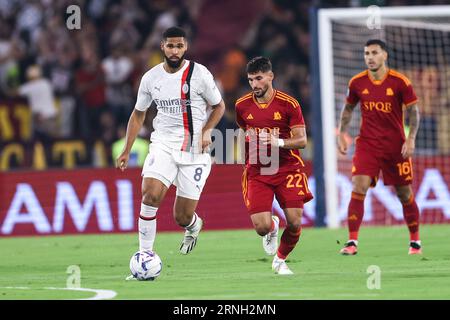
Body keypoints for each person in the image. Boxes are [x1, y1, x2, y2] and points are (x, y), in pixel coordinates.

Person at [116, 26, 225, 279]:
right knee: (150, 195)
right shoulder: (150, 78)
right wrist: (126, 148)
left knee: (181, 216)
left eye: (179, 46)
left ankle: (194, 225)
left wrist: (208, 130)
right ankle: (145, 256)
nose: (174, 51)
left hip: (194, 150)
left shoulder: (200, 74)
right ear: (162, 47)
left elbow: (219, 106)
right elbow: (138, 113)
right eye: (170, 46)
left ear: (185, 47)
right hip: (163, 143)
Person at [337, 39, 421, 255]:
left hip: (395, 146)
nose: (370, 57)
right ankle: (352, 242)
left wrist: (410, 139)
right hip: (368, 144)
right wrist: (341, 134)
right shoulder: (357, 82)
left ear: (385, 55)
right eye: (366, 53)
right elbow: (348, 109)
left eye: (374, 53)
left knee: (404, 193)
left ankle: (415, 242)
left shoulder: (400, 82)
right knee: (358, 186)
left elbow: (414, 112)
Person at [235, 57, 313, 275]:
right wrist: (244, 158)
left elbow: (302, 140)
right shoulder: (242, 105)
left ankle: (280, 260)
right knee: (261, 227)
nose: (255, 85)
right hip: (258, 171)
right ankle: (271, 227)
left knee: (296, 222)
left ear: (270, 76)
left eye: (259, 78)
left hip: (287, 167)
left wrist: (278, 142)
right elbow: (244, 130)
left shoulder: (289, 104)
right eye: (250, 80)